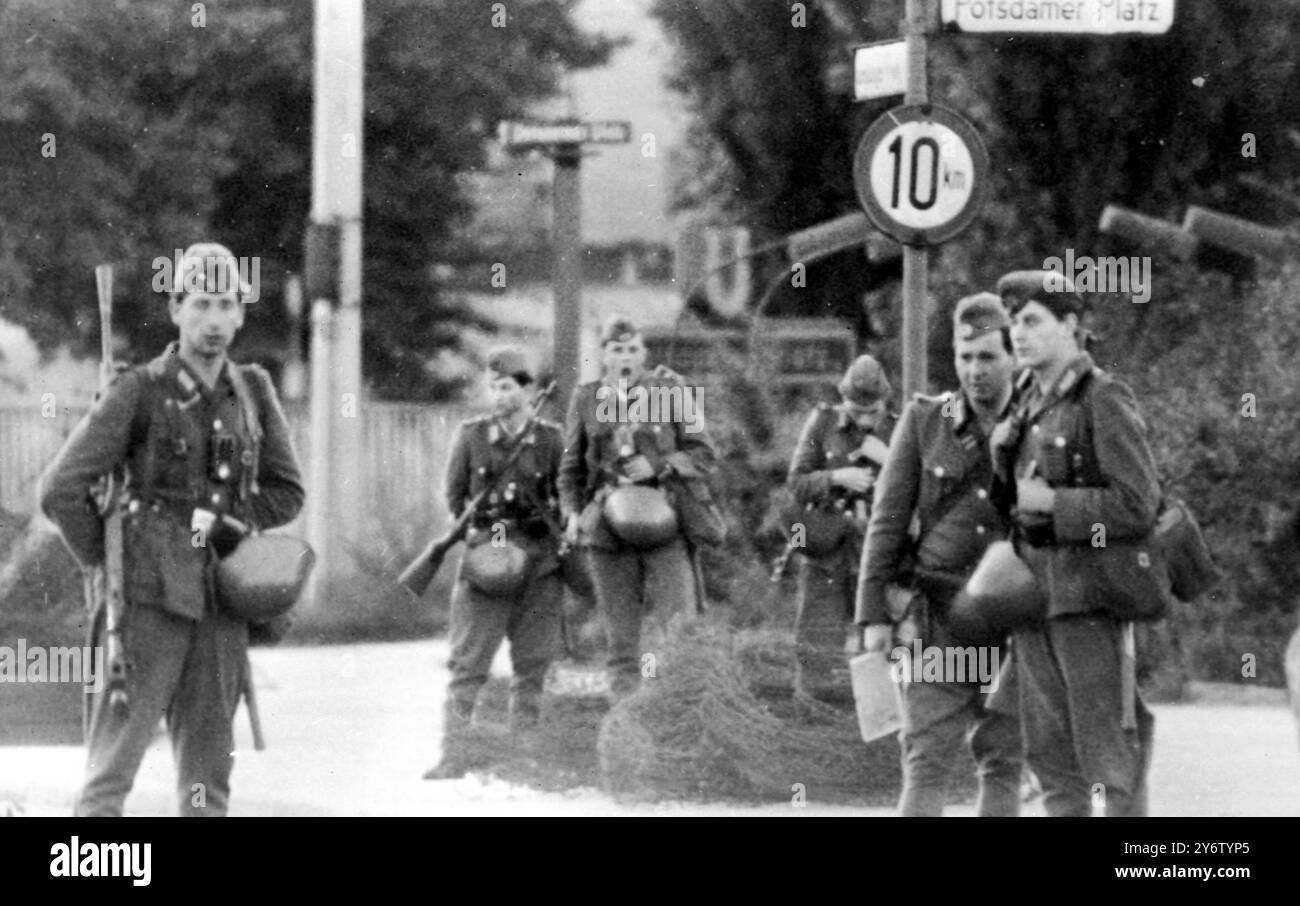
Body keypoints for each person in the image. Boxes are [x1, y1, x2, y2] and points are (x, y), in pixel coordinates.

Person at [39, 242, 304, 816]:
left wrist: (235, 523)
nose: (213, 320)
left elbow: (287, 492)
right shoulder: (140, 390)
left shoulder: (253, 391)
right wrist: (108, 564)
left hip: (221, 604)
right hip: (145, 602)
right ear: (176, 309)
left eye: (226, 305)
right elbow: (60, 491)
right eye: (201, 304)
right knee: (109, 779)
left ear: (240, 313)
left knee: (207, 787)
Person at [990, 269, 1160, 817]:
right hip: (1035, 602)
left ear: (1069, 325)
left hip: (1090, 603)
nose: (1019, 333)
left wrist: (1055, 507)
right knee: (1051, 762)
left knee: (1109, 762)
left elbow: (1137, 505)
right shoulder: (1025, 399)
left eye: (1033, 320)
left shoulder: (1102, 397)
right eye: (1014, 322)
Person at [855, 293, 1024, 816]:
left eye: (988, 357)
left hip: (1017, 620)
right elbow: (885, 521)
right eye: (965, 357)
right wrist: (873, 615)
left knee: (1003, 762)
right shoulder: (925, 421)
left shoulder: (1038, 422)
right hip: (939, 618)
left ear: (1015, 355)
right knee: (926, 761)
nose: (974, 370)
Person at [423, 347, 565, 780]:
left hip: (539, 558)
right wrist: (476, 537)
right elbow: (454, 496)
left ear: (528, 389)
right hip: (488, 554)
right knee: (468, 662)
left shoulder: (551, 439)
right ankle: (454, 753)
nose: (498, 395)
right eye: (493, 387)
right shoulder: (471, 437)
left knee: (533, 664)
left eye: (507, 387)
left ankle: (526, 756)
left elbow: (565, 493)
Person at [558, 316, 716, 700]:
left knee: (681, 632)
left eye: (632, 349)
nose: (625, 357)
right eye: (616, 350)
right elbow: (570, 470)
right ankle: (626, 731)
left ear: (644, 353)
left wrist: (659, 465)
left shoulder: (671, 391)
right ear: (604, 355)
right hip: (609, 531)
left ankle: (682, 721)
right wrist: (572, 513)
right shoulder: (587, 397)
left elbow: (705, 455)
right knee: (621, 643)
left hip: (665, 520)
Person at [786, 354, 892, 704]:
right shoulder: (822, 423)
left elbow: (922, 489)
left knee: (878, 649)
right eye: (855, 411)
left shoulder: (898, 427)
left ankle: (875, 736)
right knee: (817, 648)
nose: (863, 420)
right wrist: (835, 477)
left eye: (871, 412)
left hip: (877, 551)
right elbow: (796, 482)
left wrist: (886, 460)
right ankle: (814, 723)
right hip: (829, 545)